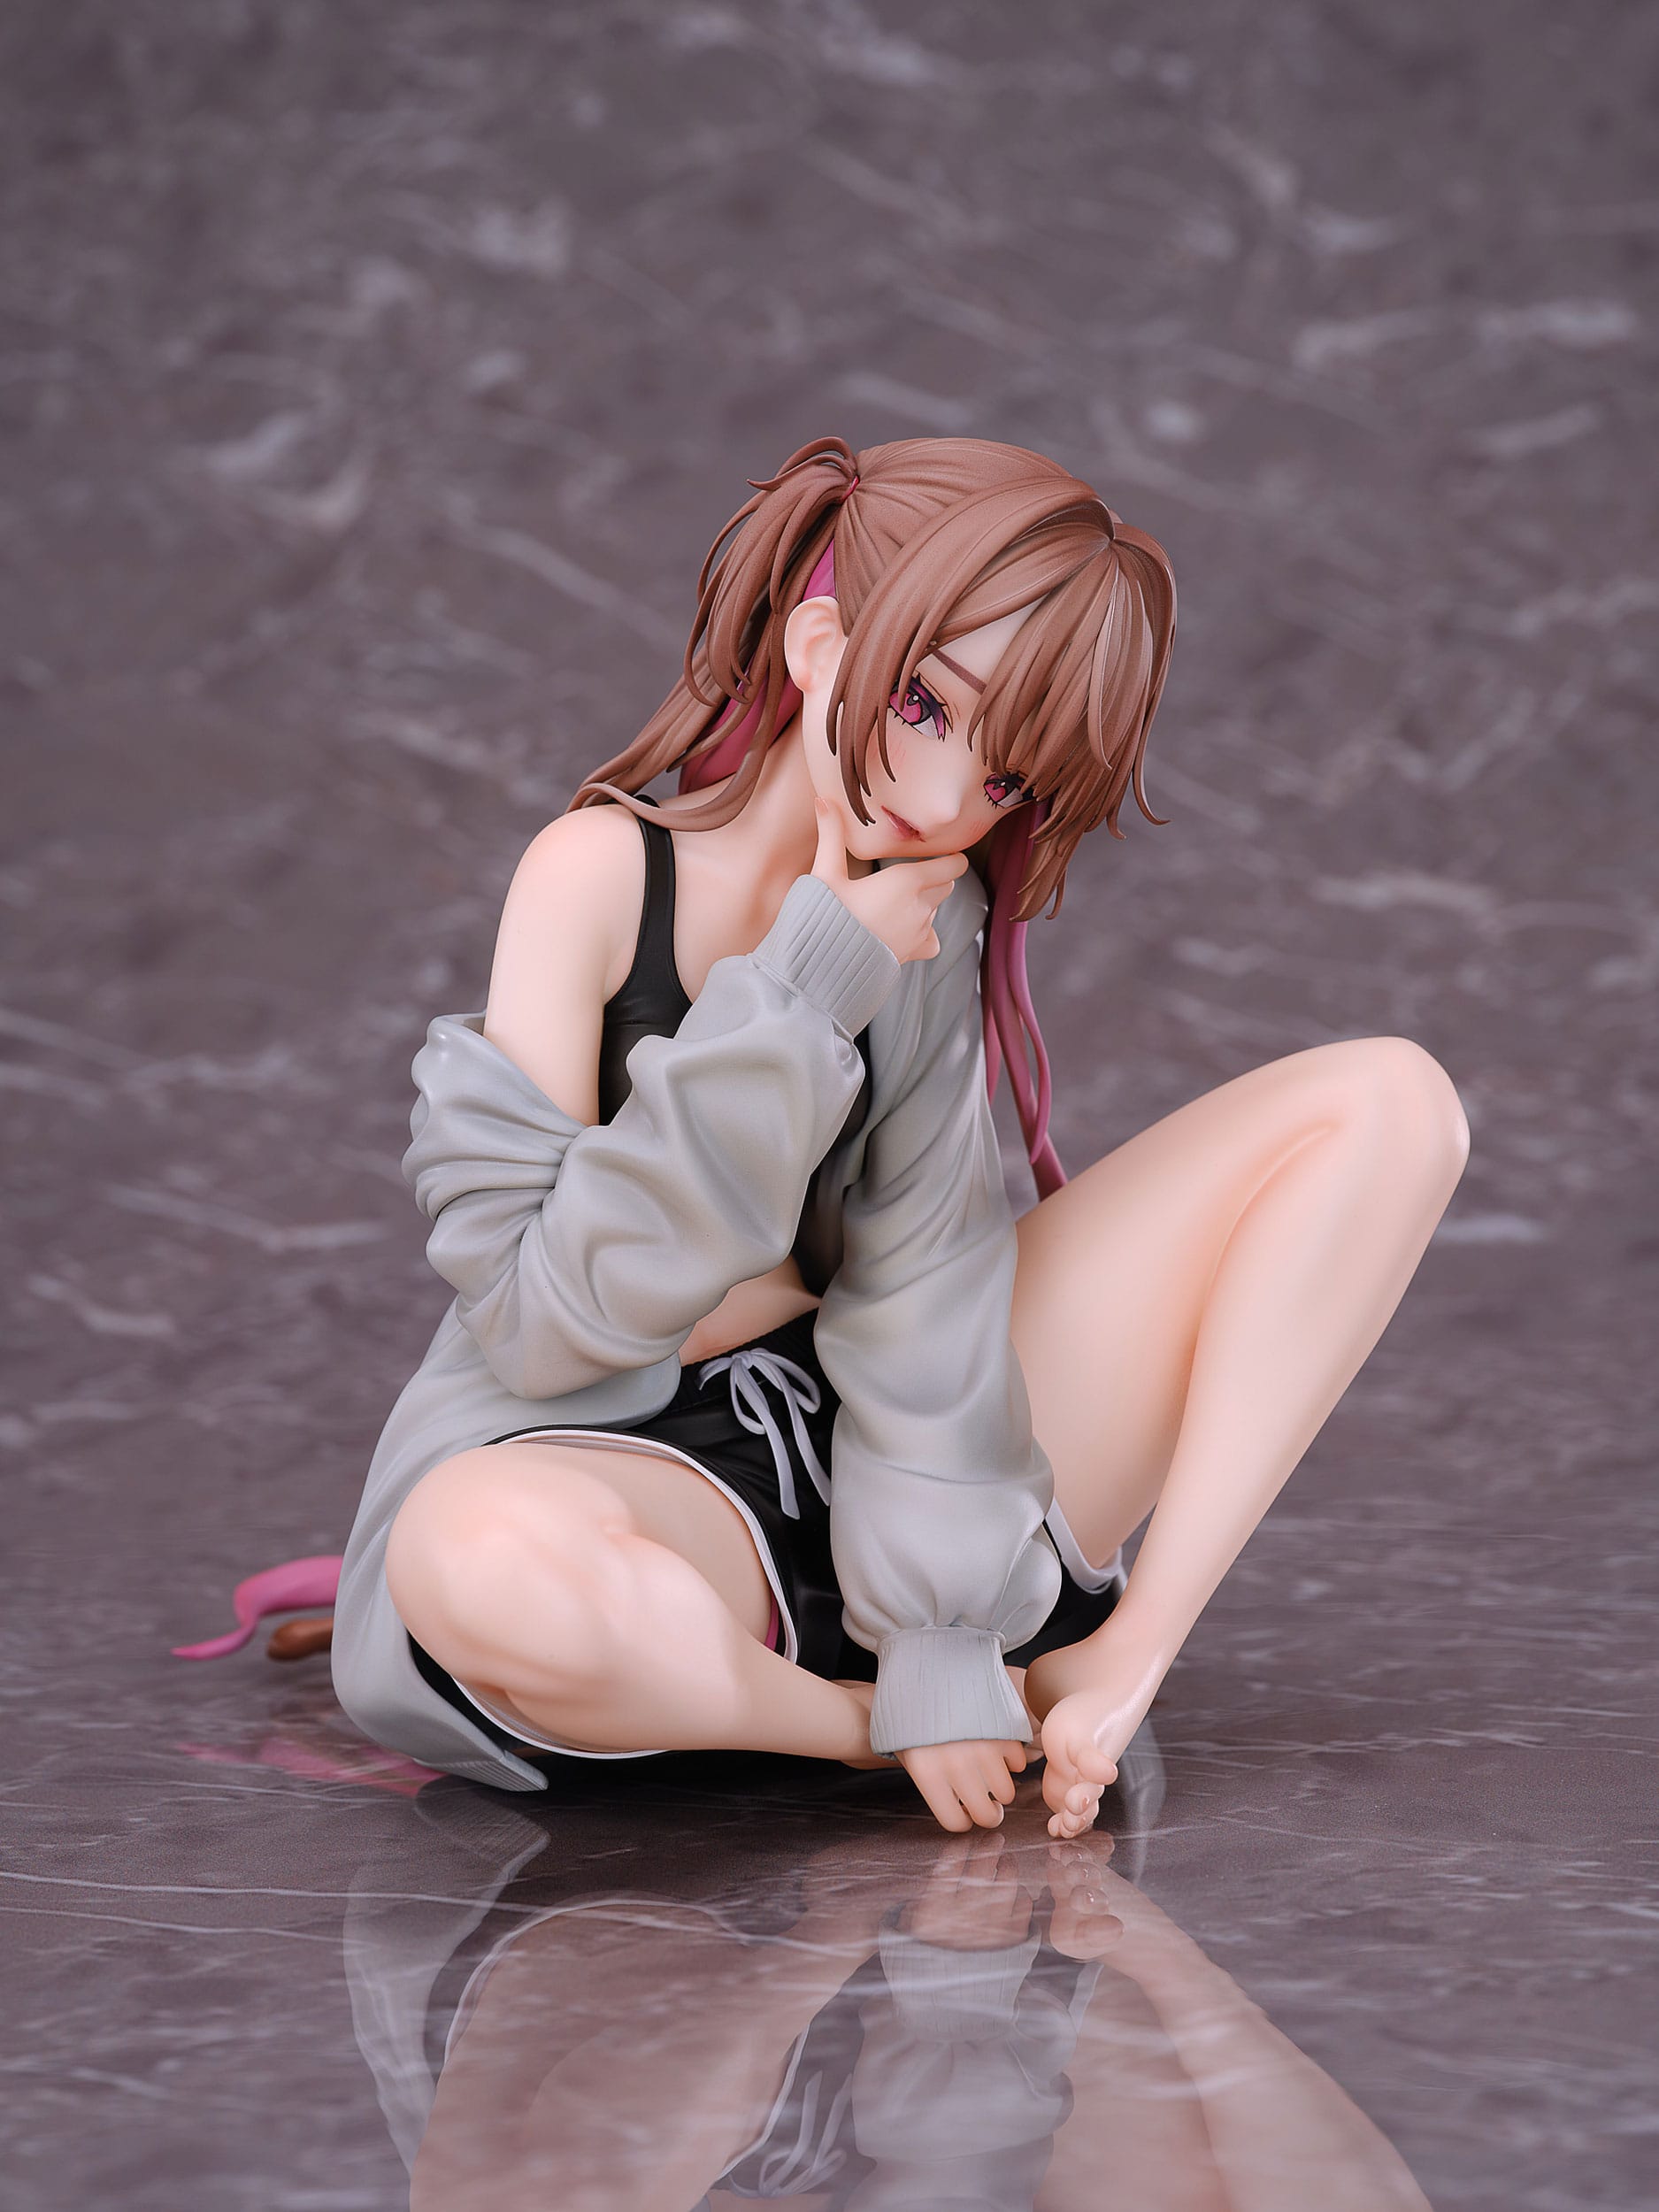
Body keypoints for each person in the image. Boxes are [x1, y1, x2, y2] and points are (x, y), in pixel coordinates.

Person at [219, 434, 1470, 1839]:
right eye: (927, 708)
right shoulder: (598, 877)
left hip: (889, 1460)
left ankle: (1119, 1659)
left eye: (1006, 784)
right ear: (820, 648)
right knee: (479, 1561)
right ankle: (862, 1731)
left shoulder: (930, 916)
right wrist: (807, 984)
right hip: (619, 1467)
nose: (940, 804)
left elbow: (925, 1288)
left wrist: (941, 1624)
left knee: (1391, 1103)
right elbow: (544, 1326)